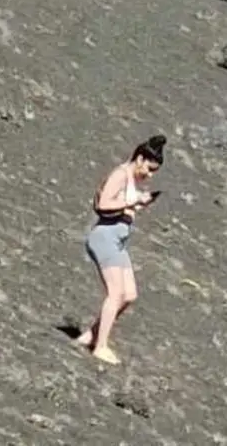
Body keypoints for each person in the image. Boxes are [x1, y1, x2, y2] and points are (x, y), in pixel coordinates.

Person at [76, 134, 166, 364]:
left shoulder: (133, 181)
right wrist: (134, 202)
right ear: (139, 158)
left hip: (119, 240)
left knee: (130, 294)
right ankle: (100, 347)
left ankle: (92, 334)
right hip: (105, 237)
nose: (150, 175)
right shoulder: (120, 175)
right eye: (149, 168)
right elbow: (102, 205)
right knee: (115, 293)